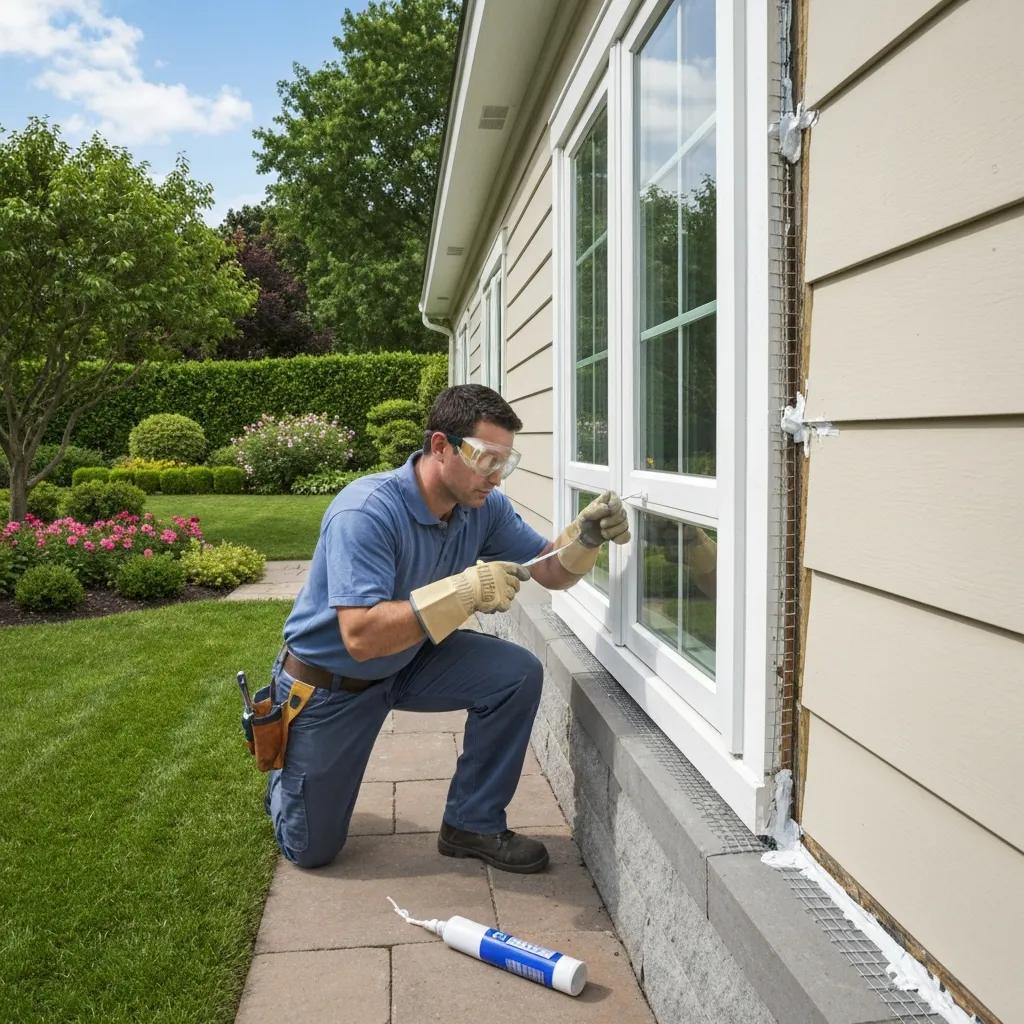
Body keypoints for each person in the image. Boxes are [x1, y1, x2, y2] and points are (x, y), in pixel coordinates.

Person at [266, 384, 630, 872]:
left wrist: (584, 539)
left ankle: (472, 823)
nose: (496, 477)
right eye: (486, 459)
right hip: (333, 683)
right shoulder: (366, 511)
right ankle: (286, 779)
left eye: (505, 462)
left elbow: (550, 571)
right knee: (311, 850)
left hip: (409, 659)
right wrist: (463, 592)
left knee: (515, 673)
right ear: (441, 446)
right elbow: (361, 637)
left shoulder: (481, 508)